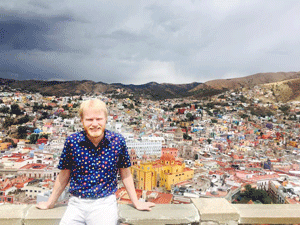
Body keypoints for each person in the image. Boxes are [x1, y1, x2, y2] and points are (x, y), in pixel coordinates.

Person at [36, 99, 155, 225]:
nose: (94, 124)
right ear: (82, 121)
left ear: (106, 119)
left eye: (99, 119)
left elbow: (125, 173)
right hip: (76, 204)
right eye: (89, 119)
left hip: (105, 204)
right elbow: (64, 175)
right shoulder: (72, 142)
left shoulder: (117, 141)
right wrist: (50, 203)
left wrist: (136, 202)